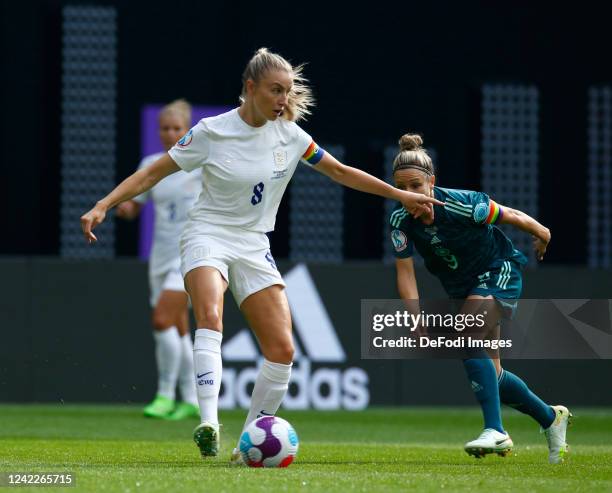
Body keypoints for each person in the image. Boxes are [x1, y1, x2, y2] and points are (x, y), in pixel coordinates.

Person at [80, 47, 442, 463]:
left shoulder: (291, 137)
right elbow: (153, 172)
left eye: (287, 91)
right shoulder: (210, 132)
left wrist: (398, 194)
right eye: (275, 90)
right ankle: (209, 423)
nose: (283, 100)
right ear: (250, 88)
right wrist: (104, 204)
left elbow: (341, 172)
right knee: (210, 316)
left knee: (282, 349)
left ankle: (246, 443)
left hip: (254, 243)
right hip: (207, 233)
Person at [388, 133, 571, 464]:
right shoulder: (400, 222)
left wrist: (542, 232)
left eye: (416, 186)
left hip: (497, 270)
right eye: (402, 188)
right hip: (462, 288)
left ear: (432, 182)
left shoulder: (462, 204)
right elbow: (405, 273)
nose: (409, 195)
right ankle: (550, 418)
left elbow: (510, 215)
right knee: (494, 376)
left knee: (465, 334)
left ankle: (496, 431)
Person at [115, 99, 202, 420]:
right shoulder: (151, 163)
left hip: (191, 254)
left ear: (188, 130)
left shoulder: (200, 163)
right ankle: (190, 398)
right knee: (178, 330)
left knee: (162, 320)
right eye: (165, 128)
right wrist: (125, 208)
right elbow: (135, 204)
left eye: (176, 128)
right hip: (161, 255)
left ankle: (165, 395)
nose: (170, 133)